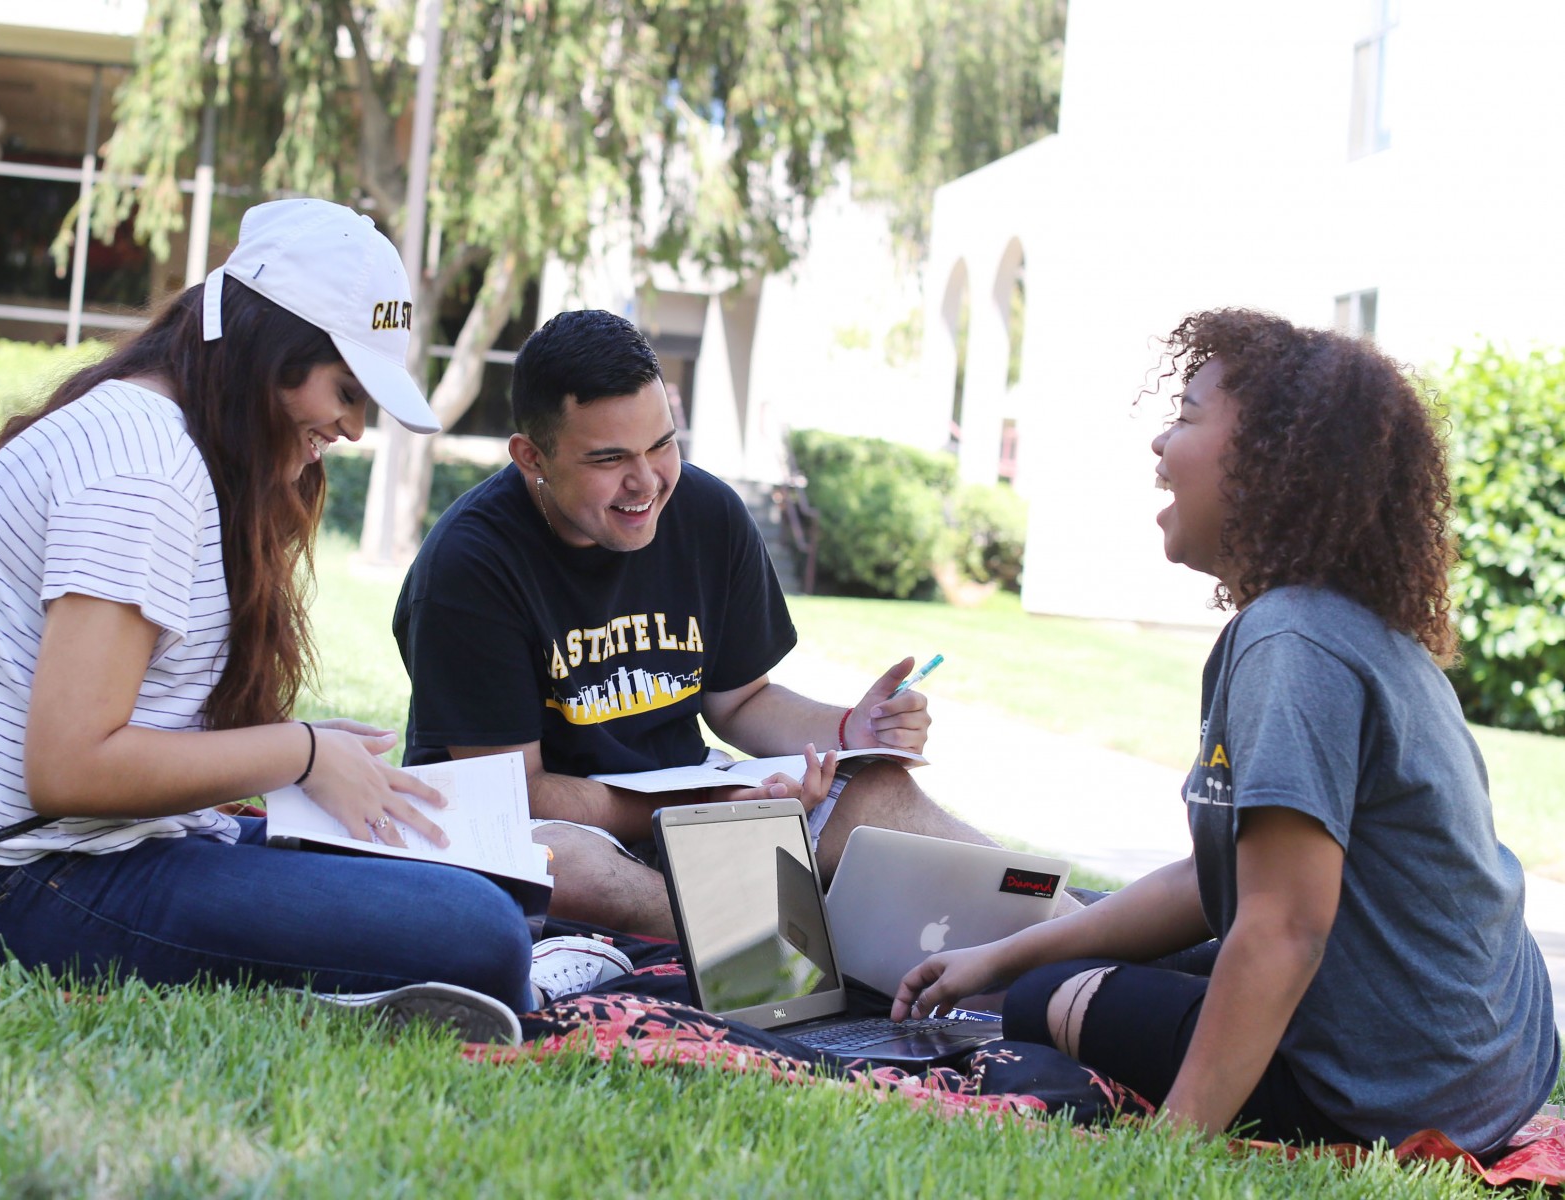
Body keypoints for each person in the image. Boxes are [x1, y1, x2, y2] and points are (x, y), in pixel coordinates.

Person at [0, 199, 534, 1035]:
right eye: (345, 390)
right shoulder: (143, 471)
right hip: (9, 889)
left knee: (485, 895)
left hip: (82, 857)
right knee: (483, 936)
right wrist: (299, 751)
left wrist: (309, 758)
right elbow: (70, 770)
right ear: (269, 352)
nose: (353, 428)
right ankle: (301, 999)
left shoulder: (162, 436)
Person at [892, 308, 1559, 1154]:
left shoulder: (1293, 645)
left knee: (1041, 1002)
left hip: (1397, 1094)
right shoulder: (1335, 627)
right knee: (1053, 957)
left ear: (1271, 464)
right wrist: (1005, 953)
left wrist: (1171, 1147)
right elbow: (1220, 888)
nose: (1159, 445)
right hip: (1476, 1061)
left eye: (1188, 416)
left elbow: (1283, 927)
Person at [394, 309, 1008, 938]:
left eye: (662, 444)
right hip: (542, 826)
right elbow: (517, 793)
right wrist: (705, 808)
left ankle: (1062, 929)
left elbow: (740, 700)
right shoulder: (469, 566)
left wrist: (851, 729)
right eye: (609, 459)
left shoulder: (708, 515)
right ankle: (797, 945)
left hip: (693, 805)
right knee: (564, 867)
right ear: (532, 457)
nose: (647, 482)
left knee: (875, 789)